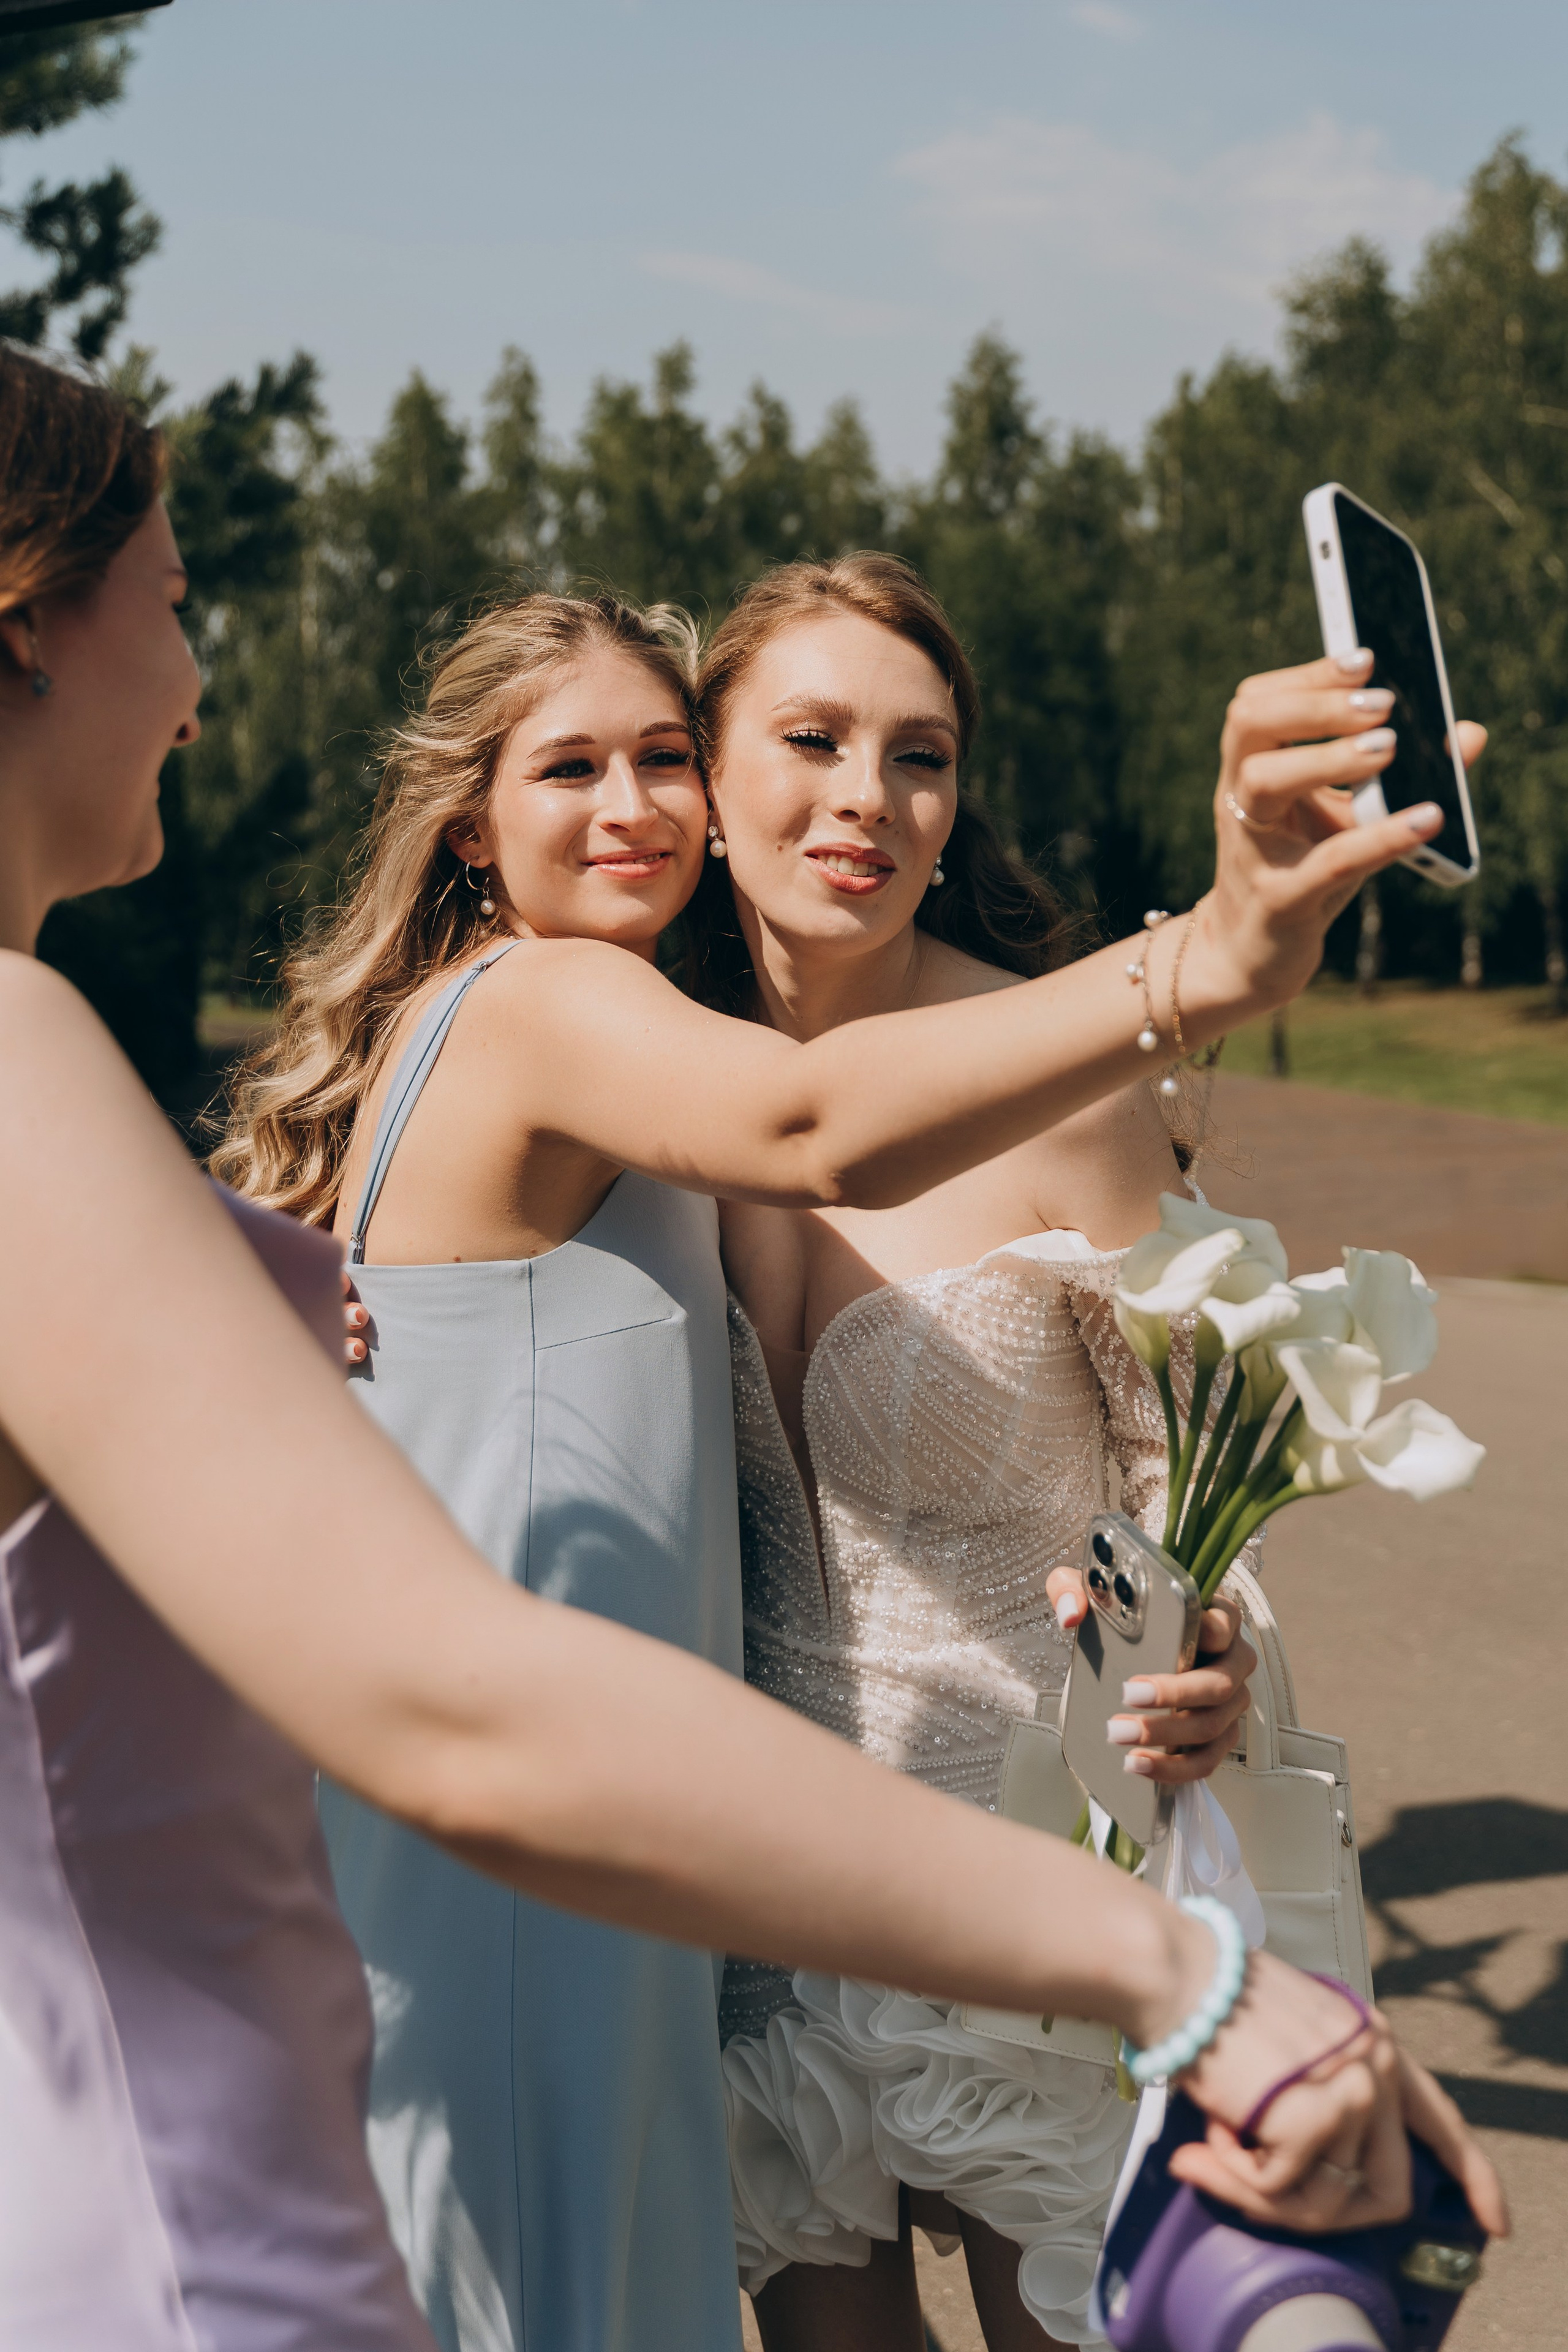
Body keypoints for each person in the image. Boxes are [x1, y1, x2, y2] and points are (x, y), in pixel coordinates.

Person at [1, 346, 1500, 2352]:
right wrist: (1208, 958)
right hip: (558, 1920)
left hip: (704, 1899)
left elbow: (1173, 1438)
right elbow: (790, 1145)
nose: (199, 671)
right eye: (178, 603)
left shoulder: (544, 1067)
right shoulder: (532, 1022)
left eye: (663, 763)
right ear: (25, 623)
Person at [688, 556, 1272, 2350]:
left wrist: (1216, 1644)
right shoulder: (646, 1086)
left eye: (919, 755)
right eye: (812, 737)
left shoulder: (1066, 1087)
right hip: (763, 1904)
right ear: (706, 781)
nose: (868, 794)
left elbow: (1211, 1461)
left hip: (1033, 1872)